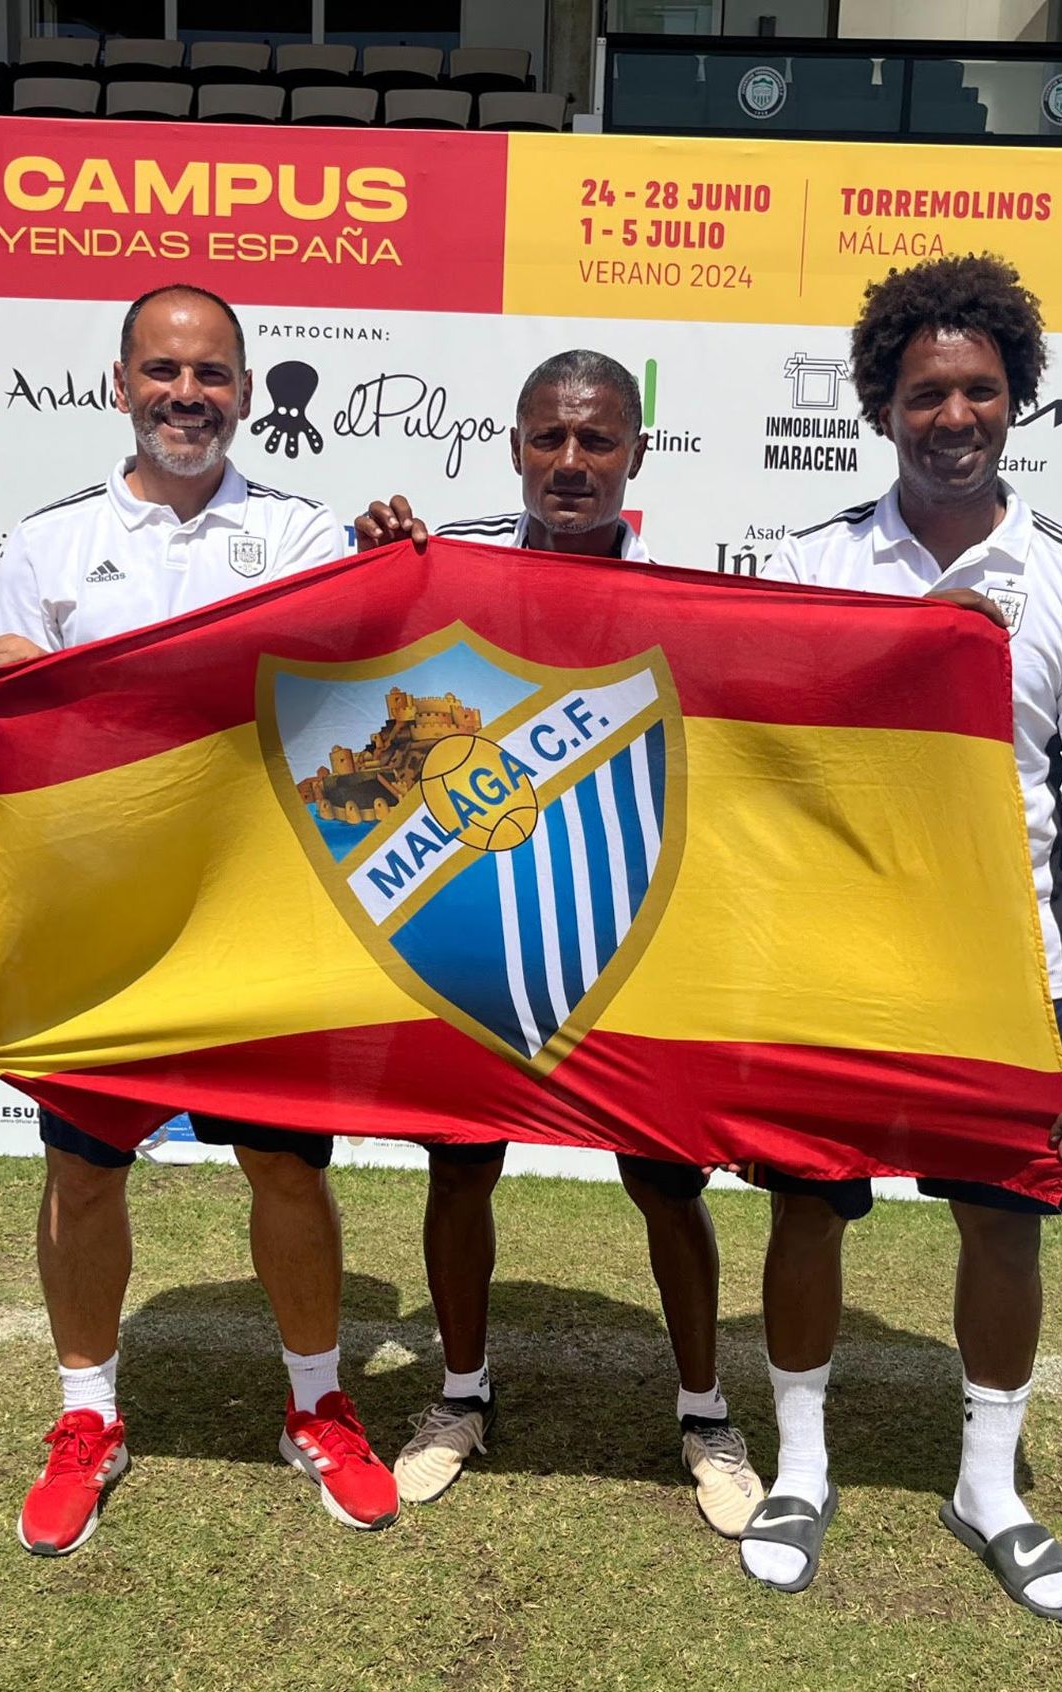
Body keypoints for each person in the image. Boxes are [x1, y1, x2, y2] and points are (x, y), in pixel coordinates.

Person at [0, 283, 400, 1553]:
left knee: (287, 1169)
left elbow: (350, 705)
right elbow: (7, 779)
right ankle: (88, 1416)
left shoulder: (302, 535)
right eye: (162, 370)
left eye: (209, 374)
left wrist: (393, 572)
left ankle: (318, 1405)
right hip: (99, 926)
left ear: (244, 393)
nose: (185, 394)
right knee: (83, 1174)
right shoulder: (48, 545)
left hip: (256, 918)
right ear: (121, 385)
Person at [743, 254, 1062, 1620]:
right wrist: (904, 644)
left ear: (1015, 398)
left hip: (1007, 977)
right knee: (808, 1211)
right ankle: (801, 1466)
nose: (954, 415)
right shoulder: (811, 567)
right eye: (925, 393)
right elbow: (767, 764)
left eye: (979, 389)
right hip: (839, 970)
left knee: (1003, 1229)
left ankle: (988, 1486)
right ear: (883, 406)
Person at [352, 349, 765, 1534]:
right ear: (515, 446)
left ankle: (704, 1413)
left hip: (629, 926)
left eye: (596, 440)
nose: (570, 462)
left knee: (663, 1178)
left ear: (637, 453)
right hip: (474, 921)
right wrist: (368, 566)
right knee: (458, 1164)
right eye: (548, 438)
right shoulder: (447, 563)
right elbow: (348, 670)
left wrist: (930, 637)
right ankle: (458, 1395)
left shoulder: (687, 590)